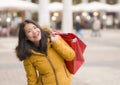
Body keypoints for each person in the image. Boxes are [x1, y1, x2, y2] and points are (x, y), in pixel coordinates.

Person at [15, 19, 75, 85]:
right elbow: (32, 79)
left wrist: (56, 43)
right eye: (29, 31)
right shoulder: (28, 55)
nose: (34, 32)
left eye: (35, 28)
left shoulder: (54, 39)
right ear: (25, 37)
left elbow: (70, 56)